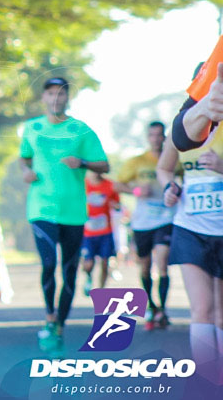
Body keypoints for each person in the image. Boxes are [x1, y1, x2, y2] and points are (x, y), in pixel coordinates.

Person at [19, 76, 109, 354]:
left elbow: (104, 165)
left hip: (73, 212)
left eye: (61, 94)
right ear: (43, 98)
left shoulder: (81, 130)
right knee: (48, 264)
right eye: (50, 94)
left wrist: (82, 162)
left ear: (67, 98)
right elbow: (24, 156)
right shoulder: (32, 128)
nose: (55, 98)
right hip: (41, 208)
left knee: (69, 271)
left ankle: (59, 325)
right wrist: (25, 170)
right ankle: (49, 317)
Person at [158, 123, 223, 378]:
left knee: (220, 315)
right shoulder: (182, 129)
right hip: (190, 228)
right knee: (202, 308)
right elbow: (164, 169)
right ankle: (207, 379)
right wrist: (169, 188)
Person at [117, 121, 179, 329]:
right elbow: (117, 184)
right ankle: (151, 306)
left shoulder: (173, 158)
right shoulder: (137, 162)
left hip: (165, 218)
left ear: (164, 137)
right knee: (144, 268)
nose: (156, 139)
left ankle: (162, 309)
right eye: (152, 135)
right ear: (148, 137)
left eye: (160, 135)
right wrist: (136, 190)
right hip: (142, 222)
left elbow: (185, 177)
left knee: (162, 263)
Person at [81, 169, 120, 295]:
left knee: (105, 263)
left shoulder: (110, 185)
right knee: (88, 264)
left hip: (105, 232)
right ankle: (88, 277)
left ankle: (101, 290)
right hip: (87, 233)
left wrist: (116, 206)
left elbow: (118, 205)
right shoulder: (83, 185)